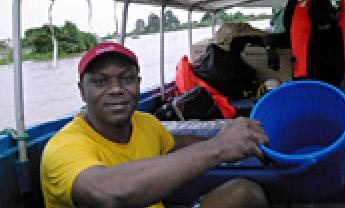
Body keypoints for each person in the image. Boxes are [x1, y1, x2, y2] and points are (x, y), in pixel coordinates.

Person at [40, 42, 269, 208]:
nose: (116, 89)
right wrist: (219, 147)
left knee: (245, 192)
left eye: (127, 79)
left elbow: (176, 144)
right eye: (101, 81)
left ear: (138, 85)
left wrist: (238, 143)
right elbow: (109, 192)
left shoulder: (145, 123)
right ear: (82, 91)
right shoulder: (63, 148)